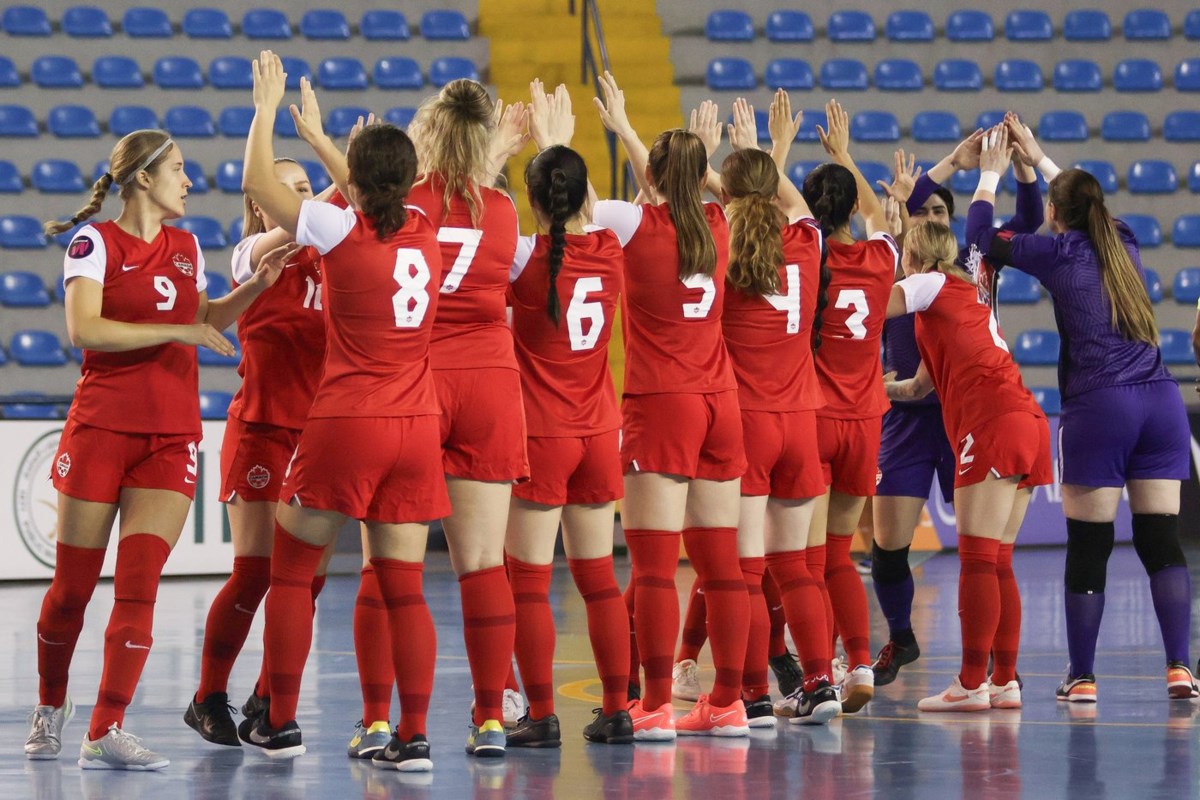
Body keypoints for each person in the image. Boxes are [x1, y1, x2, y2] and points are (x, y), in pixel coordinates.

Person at [26, 128, 292, 769]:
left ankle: (105, 727)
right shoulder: (96, 243)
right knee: (71, 590)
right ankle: (49, 707)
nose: (188, 181)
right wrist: (183, 329)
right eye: (178, 169)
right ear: (142, 178)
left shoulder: (187, 245)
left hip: (170, 437)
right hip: (101, 430)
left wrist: (254, 287)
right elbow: (83, 328)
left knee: (139, 586)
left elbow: (207, 319)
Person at [239, 52, 447, 772]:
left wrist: (267, 109)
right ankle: (413, 736)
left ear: (353, 180)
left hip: (348, 419)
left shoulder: (337, 230)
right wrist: (339, 149)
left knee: (293, 573)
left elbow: (257, 184)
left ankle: (281, 719)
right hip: (418, 425)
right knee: (405, 587)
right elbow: (379, 190)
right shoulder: (426, 227)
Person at [966, 119, 1200, 703]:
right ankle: (1180, 668)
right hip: (1162, 402)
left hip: (1102, 407)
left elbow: (979, 239)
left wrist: (990, 176)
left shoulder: (1055, 251)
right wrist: (1042, 160)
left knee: (1091, 546)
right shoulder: (1123, 240)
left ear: (1054, 210)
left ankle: (1083, 676)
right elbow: (1083, 200)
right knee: (1161, 543)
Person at [592, 71, 750, 740]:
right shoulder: (718, 220)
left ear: (652, 175)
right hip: (721, 403)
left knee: (654, 566)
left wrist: (623, 124)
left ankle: (655, 704)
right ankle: (730, 701)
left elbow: (611, 205)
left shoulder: (634, 222)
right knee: (722, 565)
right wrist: (683, 156)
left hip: (661, 405)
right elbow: (676, 191)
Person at [870, 128, 1045, 687]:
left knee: (985, 557)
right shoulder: (911, 261)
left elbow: (1034, 214)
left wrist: (1015, 167)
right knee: (890, 547)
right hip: (921, 415)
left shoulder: (974, 257)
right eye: (921, 215)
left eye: (938, 212)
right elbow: (921, 381)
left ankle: (986, 674)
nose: (931, 219)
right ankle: (909, 639)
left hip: (974, 419)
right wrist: (941, 171)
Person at [185, 154, 338, 747]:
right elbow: (304, 219)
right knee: (254, 574)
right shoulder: (251, 254)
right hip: (264, 427)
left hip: (321, 432)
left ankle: (266, 694)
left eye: (305, 189)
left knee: (308, 582)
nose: (301, 199)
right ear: (260, 202)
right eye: (288, 190)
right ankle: (207, 696)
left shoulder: (332, 258)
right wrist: (340, 176)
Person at [399, 78, 529, 757]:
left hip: (416, 382)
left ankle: (396, 723)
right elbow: (474, 194)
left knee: (398, 568)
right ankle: (489, 717)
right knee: (483, 563)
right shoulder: (505, 210)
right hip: (489, 383)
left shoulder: (402, 204)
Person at [501, 81, 634, 747]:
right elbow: (579, 201)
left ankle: (542, 713)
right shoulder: (612, 246)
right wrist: (560, 143)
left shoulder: (522, 256)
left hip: (542, 434)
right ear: (586, 196)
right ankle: (617, 708)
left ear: (532, 199)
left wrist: (542, 145)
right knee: (599, 581)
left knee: (527, 583)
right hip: (599, 432)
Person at [717, 91, 841, 726]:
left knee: (741, 570)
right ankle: (820, 682)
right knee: (796, 566)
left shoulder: (723, 247)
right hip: (802, 420)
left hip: (747, 422)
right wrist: (774, 149)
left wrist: (736, 160)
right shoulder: (808, 240)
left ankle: (750, 695)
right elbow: (787, 201)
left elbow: (725, 204)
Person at [802, 99, 898, 713]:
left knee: (801, 559)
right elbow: (879, 211)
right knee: (841, 553)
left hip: (812, 418)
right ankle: (858, 660)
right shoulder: (882, 259)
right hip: (866, 422)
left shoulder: (808, 259)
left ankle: (812, 674)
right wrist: (844, 155)